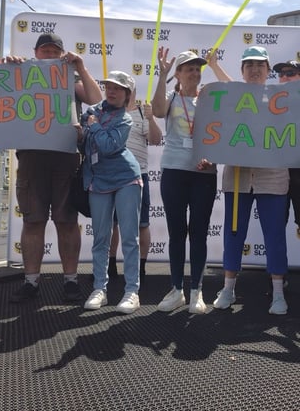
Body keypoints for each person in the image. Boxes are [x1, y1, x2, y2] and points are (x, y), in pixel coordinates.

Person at [8, 33, 103, 303]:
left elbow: (96, 101)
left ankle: (71, 280)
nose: (50, 55)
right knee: (33, 220)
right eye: (45, 51)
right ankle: (31, 281)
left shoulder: (70, 77)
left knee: (67, 221)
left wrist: (81, 67)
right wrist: (10, 67)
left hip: (66, 156)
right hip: (31, 156)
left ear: (62, 54)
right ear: (35, 53)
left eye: (55, 51)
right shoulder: (21, 73)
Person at [150, 48, 229, 314]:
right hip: (174, 170)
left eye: (198, 69)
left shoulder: (210, 99)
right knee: (176, 233)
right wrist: (161, 76)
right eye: (189, 69)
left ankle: (196, 292)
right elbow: (157, 111)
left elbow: (225, 125)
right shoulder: (171, 97)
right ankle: (176, 290)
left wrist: (212, 158)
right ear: (179, 74)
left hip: (203, 174)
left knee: (198, 233)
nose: (195, 73)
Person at [212, 46, 289, 315]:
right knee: (233, 234)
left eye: (260, 64)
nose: (255, 69)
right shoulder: (230, 96)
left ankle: (278, 292)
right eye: (249, 65)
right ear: (242, 70)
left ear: (268, 70)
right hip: (238, 176)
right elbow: (217, 129)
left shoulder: (282, 98)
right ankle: (228, 288)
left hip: (273, 176)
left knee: (275, 235)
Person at [78, 70, 143, 314]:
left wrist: (92, 128)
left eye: (118, 88)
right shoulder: (92, 111)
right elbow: (84, 144)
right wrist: (80, 134)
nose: (112, 91)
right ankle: (99, 289)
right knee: (101, 238)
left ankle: (131, 291)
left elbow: (107, 147)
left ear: (127, 94)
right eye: (109, 86)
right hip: (98, 179)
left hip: (126, 178)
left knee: (129, 237)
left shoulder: (125, 118)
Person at [107, 98, 161, 282]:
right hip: (111, 175)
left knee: (142, 223)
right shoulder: (107, 111)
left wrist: (151, 118)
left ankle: (141, 267)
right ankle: (110, 265)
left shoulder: (141, 112)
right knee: (110, 223)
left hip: (138, 175)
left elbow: (156, 140)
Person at [274, 59, 300, 239]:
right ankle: (277, 267)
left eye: (290, 73)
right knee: (275, 223)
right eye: (281, 74)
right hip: (277, 173)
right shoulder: (269, 103)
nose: (284, 77)